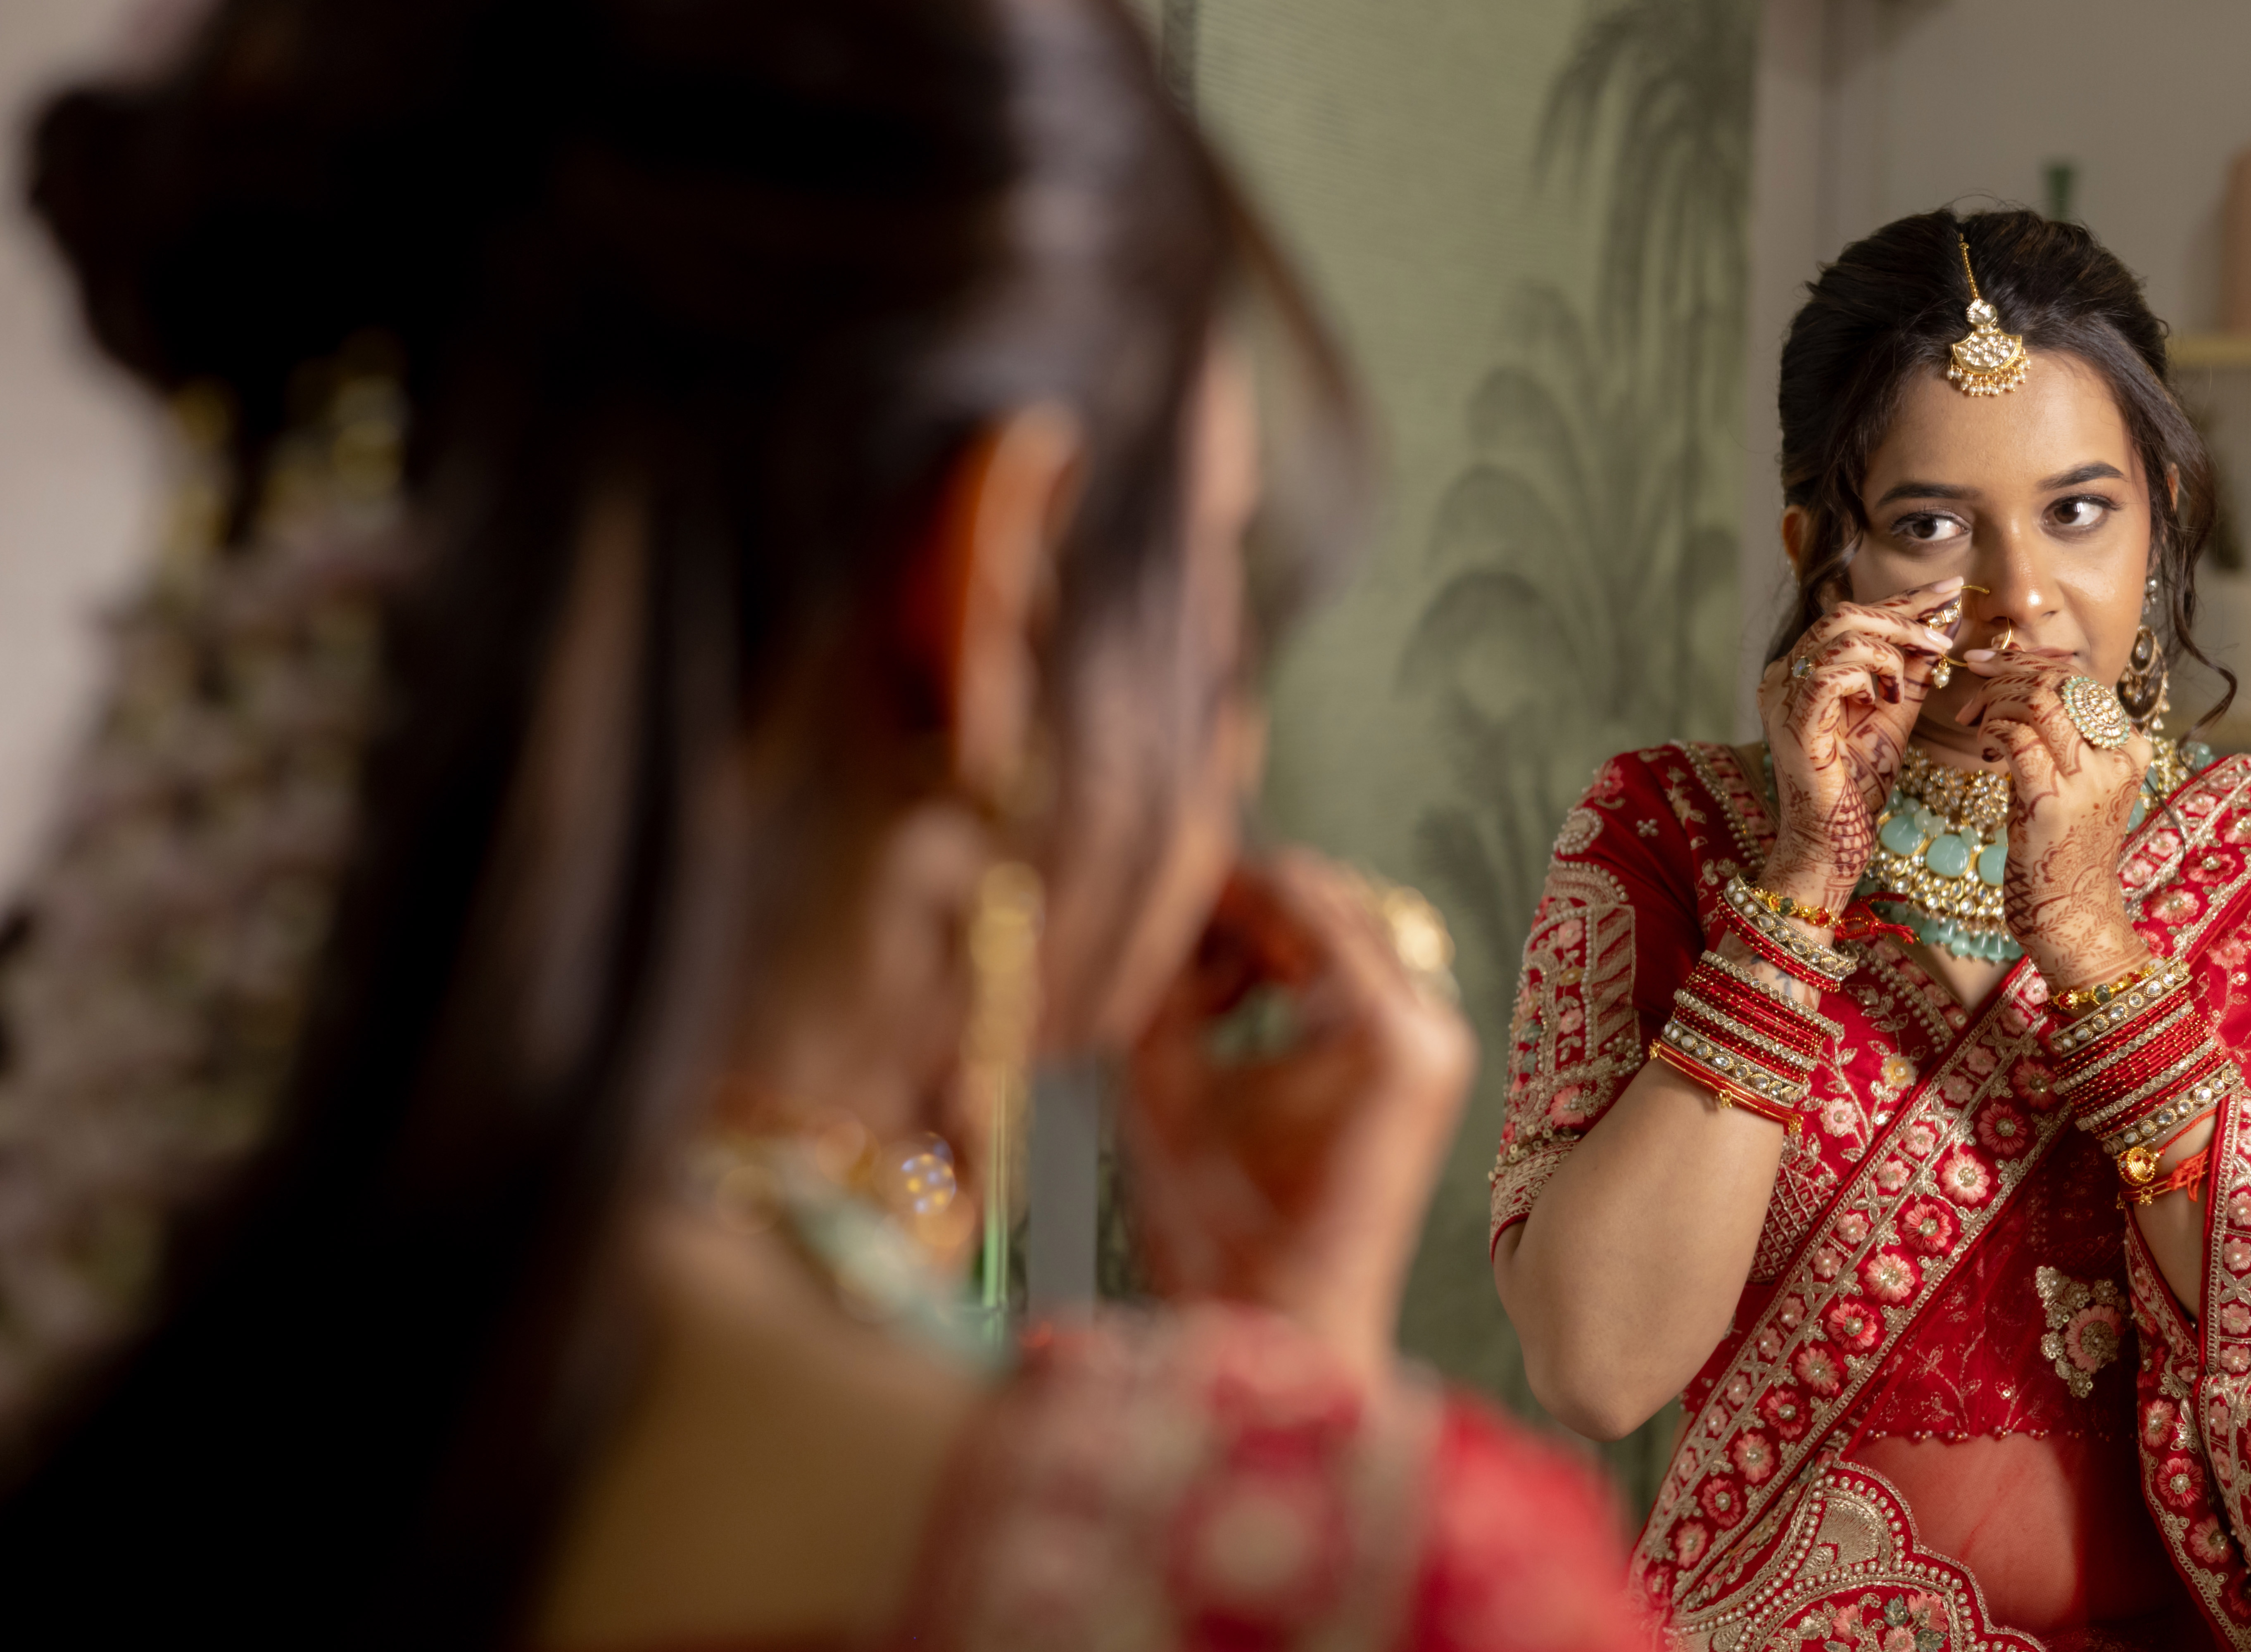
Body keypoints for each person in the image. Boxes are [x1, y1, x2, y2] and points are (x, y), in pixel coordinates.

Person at [0, 0, 1647, 1645]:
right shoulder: (1371, 1576)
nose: (1240, 735)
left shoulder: (122, 1354)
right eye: (1222, 576)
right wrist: (1297, 1462)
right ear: (986, 594)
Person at [1490, 208, 2251, 1652]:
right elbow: (1595, 1368)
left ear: (2165, 512)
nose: (2020, 599)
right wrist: (1804, 882)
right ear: (1821, 554)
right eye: (1931, 527)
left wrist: (2094, 952)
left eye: (2078, 511)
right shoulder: (1673, 830)